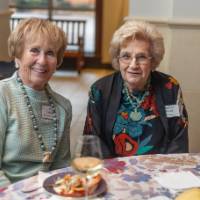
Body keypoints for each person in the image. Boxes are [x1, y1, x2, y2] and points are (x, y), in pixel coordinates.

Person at [84, 19, 188, 158]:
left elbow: (178, 138)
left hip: (160, 172)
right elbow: (92, 142)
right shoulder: (100, 90)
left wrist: (167, 173)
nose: (133, 64)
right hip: (113, 173)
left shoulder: (169, 87)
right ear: (118, 59)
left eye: (142, 57)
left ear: (153, 61)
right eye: (126, 56)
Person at [0, 18, 72, 187]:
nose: (42, 61)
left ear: (57, 62)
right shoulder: (3, 95)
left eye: (50, 53)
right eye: (34, 50)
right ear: (18, 56)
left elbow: (62, 167)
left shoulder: (63, 107)